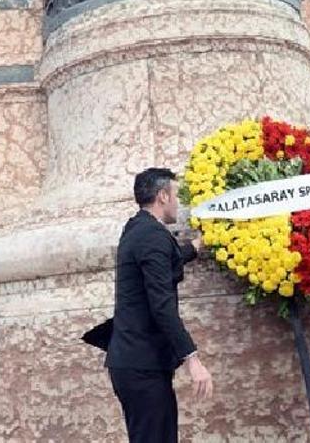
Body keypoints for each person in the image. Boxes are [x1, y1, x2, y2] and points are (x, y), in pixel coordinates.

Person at [105, 167, 213, 442]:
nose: (179, 202)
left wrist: (197, 245)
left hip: (136, 363)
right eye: (176, 194)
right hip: (141, 365)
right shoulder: (151, 236)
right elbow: (162, 306)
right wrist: (192, 359)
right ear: (163, 196)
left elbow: (166, 261)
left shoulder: (138, 229)